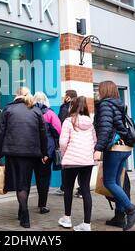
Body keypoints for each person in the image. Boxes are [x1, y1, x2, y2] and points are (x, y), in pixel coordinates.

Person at [0, 87, 48, 228]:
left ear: (16, 95)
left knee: (19, 184)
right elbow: (43, 133)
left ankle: (25, 215)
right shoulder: (36, 110)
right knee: (25, 183)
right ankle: (21, 210)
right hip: (31, 154)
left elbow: (0, 132)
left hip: (13, 152)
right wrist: (44, 153)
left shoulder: (8, 110)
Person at [93, 81, 135, 231]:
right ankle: (119, 216)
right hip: (125, 148)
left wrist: (98, 148)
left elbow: (106, 128)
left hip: (114, 149)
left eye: (99, 89)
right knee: (116, 182)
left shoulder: (105, 105)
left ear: (104, 90)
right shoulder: (119, 104)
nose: (98, 92)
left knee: (109, 182)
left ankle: (131, 210)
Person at [57, 96, 96, 231]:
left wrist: (64, 153)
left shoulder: (68, 121)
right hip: (87, 161)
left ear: (72, 107)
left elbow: (62, 142)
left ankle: (67, 219)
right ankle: (86, 224)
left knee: (68, 188)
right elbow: (95, 141)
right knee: (85, 189)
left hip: (71, 161)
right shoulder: (90, 123)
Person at [33, 91, 62, 214]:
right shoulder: (50, 114)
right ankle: (42, 205)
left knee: (37, 176)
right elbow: (58, 131)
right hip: (47, 151)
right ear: (45, 101)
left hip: (32, 150)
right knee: (44, 177)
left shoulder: (30, 113)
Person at [55, 90, 78, 196]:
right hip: (79, 142)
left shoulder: (65, 107)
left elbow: (61, 122)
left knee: (67, 165)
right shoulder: (80, 107)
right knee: (79, 164)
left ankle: (64, 187)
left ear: (68, 97)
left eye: (65, 95)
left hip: (68, 141)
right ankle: (81, 189)